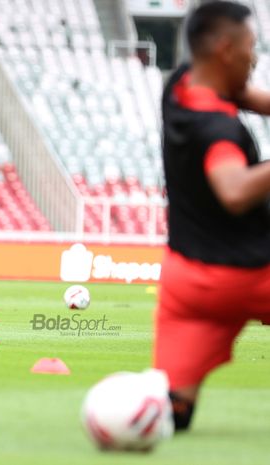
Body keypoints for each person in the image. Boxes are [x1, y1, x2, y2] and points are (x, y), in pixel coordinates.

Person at [155, 1, 270, 431]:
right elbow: (234, 190)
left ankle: (165, 410)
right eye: (251, 46)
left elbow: (243, 95)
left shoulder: (180, 86)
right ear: (225, 49)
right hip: (254, 274)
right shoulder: (216, 130)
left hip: (189, 286)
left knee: (172, 412)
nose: (255, 57)